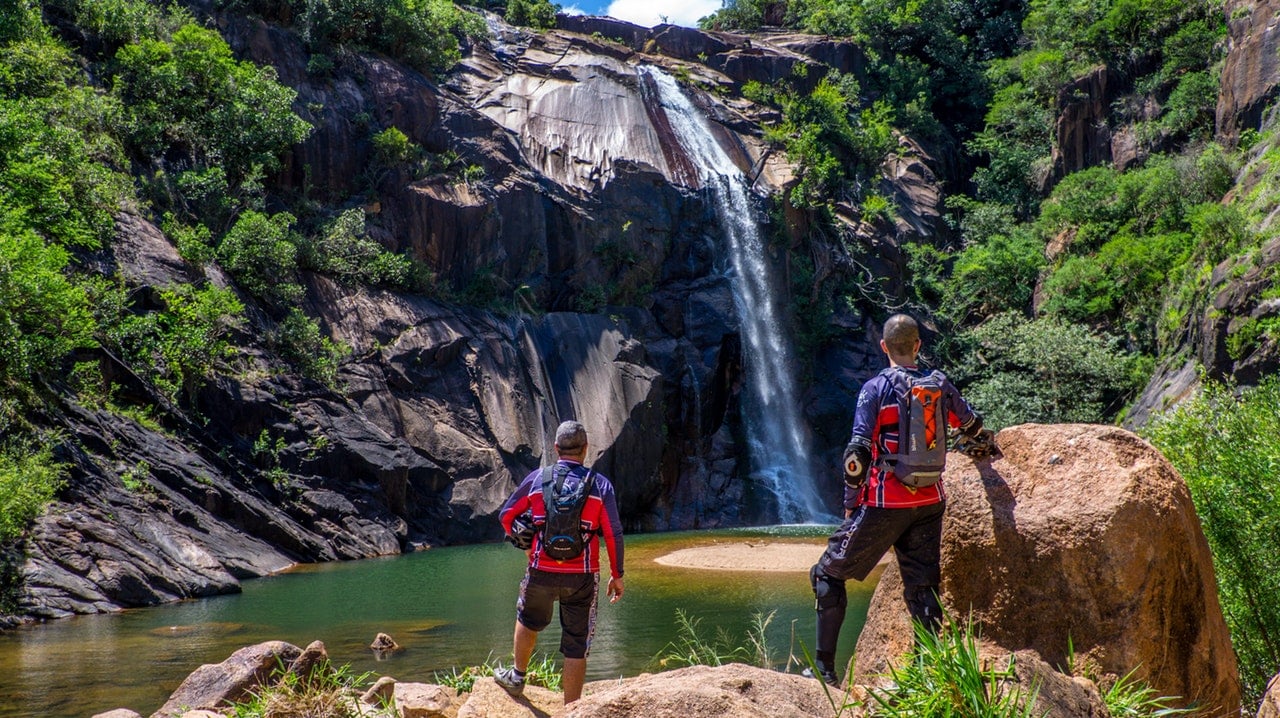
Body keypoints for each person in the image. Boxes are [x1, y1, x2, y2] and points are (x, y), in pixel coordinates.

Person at [807, 313, 993, 686]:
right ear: (918, 346)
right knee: (922, 588)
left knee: (826, 573)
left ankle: (825, 673)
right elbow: (973, 426)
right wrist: (982, 447)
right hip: (929, 502)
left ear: (884, 347)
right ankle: (928, 675)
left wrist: (850, 501)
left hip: (885, 504)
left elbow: (856, 453)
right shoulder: (939, 384)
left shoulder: (875, 388)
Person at [494, 420, 625, 704]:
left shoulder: (538, 479)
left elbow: (506, 516)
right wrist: (617, 574)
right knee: (577, 644)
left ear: (555, 448)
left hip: (541, 569)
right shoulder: (600, 485)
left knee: (527, 620)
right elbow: (613, 532)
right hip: (583, 576)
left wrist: (526, 547)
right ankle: (572, 708)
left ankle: (517, 678)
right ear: (586, 449)